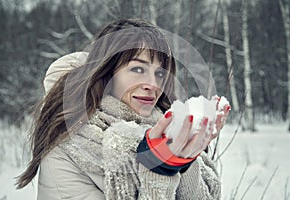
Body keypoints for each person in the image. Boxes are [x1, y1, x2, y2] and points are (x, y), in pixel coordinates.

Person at [16, 18, 229, 199]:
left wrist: (183, 160)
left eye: (160, 73)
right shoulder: (71, 144)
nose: (153, 84)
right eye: (137, 69)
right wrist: (159, 170)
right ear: (107, 73)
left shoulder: (161, 129)